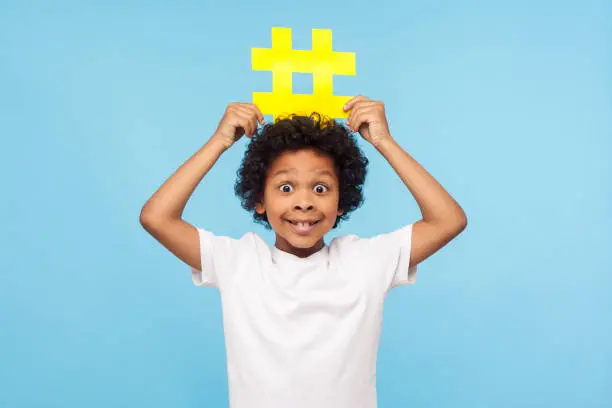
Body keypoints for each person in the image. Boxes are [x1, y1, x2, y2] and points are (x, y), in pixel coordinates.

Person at [140, 95, 467, 408]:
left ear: (341, 202)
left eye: (321, 188)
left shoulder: (363, 261)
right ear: (259, 199)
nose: (304, 201)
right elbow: (157, 217)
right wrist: (219, 142)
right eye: (285, 187)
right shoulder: (239, 262)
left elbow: (447, 220)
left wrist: (384, 141)